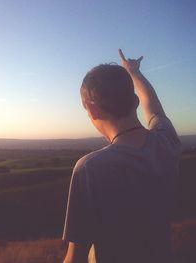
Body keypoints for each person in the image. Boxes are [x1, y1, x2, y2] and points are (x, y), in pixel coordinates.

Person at [62, 49, 181, 263]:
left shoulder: (90, 169)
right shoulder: (166, 142)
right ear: (134, 102)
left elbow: (75, 258)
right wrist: (134, 73)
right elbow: (153, 108)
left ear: (92, 109)